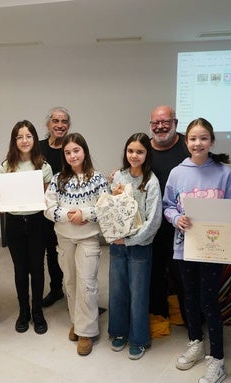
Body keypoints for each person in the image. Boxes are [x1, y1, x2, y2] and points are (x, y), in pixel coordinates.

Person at [163, 118, 231, 383]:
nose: (197, 143)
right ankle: (195, 343)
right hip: (185, 246)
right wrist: (177, 219)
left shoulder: (223, 172)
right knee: (189, 297)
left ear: (211, 141)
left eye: (203, 138)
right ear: (186, 142)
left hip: (213, 249)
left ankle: (218, 359)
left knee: (209, 300)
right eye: (192, 138)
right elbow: (167, 206)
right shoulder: (177, 172)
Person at [44, 133, 109, 356]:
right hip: (64, 238)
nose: (72, 156)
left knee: (87, 284)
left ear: (84, 151)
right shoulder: (57, 179)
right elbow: (48, 207)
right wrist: (65, 214)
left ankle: (87, 332)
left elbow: (105, 207)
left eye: (76, 151)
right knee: (70, 282)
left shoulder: (98, 179)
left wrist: (85, 213)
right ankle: (77, 322)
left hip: (88, 239)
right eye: (68, 152)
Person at [108, 133, 162, 360]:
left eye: (139, 151)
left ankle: (139, 338)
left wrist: (130, 240)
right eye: (130, 151)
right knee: (117, 291)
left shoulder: (151, 181)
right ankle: (119, 332)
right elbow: (110, 209)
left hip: (139, 247)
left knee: (138, 294)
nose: (134, 155)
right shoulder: (118, 176)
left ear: (147, 154)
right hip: (117, 246)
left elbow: (154, 220)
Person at [0, 120, 53, 334]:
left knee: (37, 268)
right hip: (13, 223)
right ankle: (24, 311)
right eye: (19, 137)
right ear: (14, 140)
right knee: (20, 269)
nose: (24, 140)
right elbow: (2, 195)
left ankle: (37, 311)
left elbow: (47, 197)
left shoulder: (43, 165)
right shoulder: (6, 166)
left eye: (28, 136)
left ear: (34, 139)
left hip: (37, 222)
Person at [148, 105, 190, 323]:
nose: (160, 126)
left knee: (182, 276)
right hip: (153, 225)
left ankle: (190, 320)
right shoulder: (144, 148)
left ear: (175, 123)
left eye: (165, 122)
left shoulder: (188, 145)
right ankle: (158, 315)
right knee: (154, 274)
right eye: (155, 123)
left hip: (182, 226)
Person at [39, 107, 70, 307]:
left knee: (65, 250)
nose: (59, 125)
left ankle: (73, 290)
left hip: (67, 208)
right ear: (48, 124)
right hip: (43, 207)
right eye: (55, 120)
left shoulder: (72, 145)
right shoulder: (38, 147)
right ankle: (56, 288)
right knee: (50, 249)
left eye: (64, 121)